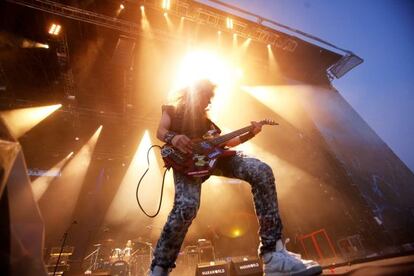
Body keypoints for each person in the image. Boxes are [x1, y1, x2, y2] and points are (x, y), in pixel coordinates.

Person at [150, 79, 322, 276]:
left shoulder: (207, 123)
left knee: (261, 170)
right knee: (187, 206)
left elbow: (227, 142)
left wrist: (252, 132)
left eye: (208, 100)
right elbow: (160, 131)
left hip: (215, 158)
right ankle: (159, 268)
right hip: (187, 161)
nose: (206, 103)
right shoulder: (171, 110)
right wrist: (173, 137)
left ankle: (272, 254)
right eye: (204, 98)